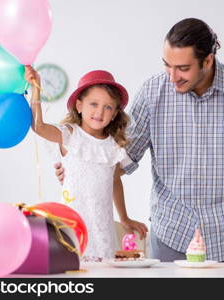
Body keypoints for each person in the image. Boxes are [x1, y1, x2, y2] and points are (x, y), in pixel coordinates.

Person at [55, 18, 224, 262]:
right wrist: (79, 167)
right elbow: (118, 161)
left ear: (208, 61)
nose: (172, 77)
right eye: (167, 65)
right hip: (170, 236)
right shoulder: (153, 93)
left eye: (183, 68)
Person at [25, 66, 148, 262]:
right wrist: (36, 89)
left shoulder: (113, 147)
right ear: (79, 106)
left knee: (103, 273)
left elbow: (115, 182)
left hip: (101, 227)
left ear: (115, 113)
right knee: (72, 272)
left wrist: (124, 218)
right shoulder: (69, 135)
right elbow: (38, 127)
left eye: (108, 107)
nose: (100, 112)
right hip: (71, 224)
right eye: (93, 104)